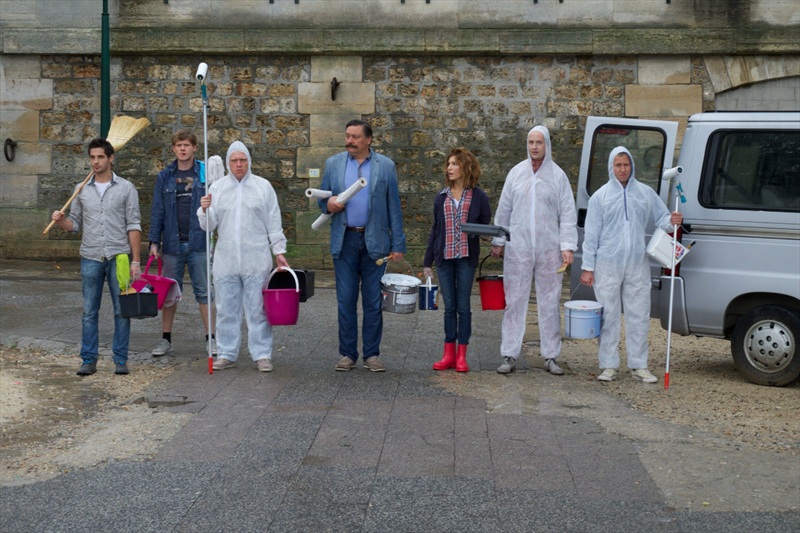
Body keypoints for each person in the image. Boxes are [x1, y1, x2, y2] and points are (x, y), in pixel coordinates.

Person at [579, 146, 683, 383]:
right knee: (608, 315)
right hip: (607, 264)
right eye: (618, 165)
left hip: (637, 263)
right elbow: (591, 235)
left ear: (632, 166)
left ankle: (639, 364)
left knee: (639, 313)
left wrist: (672, 220)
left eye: (626, 165)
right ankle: (608, 364)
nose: (623, 169)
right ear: (611, 167)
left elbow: (662, 218)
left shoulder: (644, 193)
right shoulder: (600, 197)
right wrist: (588, 267)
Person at [318, 119, 406, 372]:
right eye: (347, 135)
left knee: (372, 301)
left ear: (368, 140)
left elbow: (394, 206)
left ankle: (371, 354)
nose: (349, 140)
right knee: (345, 300)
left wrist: (398, 243)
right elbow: (323, 198)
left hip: (375, 242)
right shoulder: (333, 164)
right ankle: (347, 354)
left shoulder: (385, 166)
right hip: (344, 240)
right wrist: (329, 204)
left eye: (355, 137)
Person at [490, 125, 578, 375]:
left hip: (550, 250)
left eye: (539, 142)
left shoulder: (558, 176)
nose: (534, 147)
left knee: (550, 302)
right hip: (518, 247)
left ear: (547, 145)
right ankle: (509, 353)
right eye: (531, 142)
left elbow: (568, 214)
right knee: (514, 300)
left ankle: (550, 355)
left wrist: (567, 246)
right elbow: (504, 209)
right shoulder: (516, 173)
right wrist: (498, 241)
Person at [51, 138, 142, 376]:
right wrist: (61, 222)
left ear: (111, 158)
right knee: (89, 311)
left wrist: (135, 261)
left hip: (118, 256)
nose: (95, 161)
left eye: (100, 157)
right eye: (92, 157)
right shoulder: (81, 190)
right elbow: (75, 226)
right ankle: (88, 359)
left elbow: (133, 225)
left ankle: (120, 360)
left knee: (122, 310)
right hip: (90, 255)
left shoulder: (126, 188)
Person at [198, 141, 289, 372]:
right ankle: (227, 352)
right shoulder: (217, 189)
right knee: (226, 309)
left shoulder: (263, 187)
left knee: (258, 309)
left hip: (256, 257)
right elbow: (209, 227)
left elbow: (274, 221)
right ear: (228, 163)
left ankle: (262, 354)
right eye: (234, 161)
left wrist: (278, 251)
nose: (239, 165)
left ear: (249, 161)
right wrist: (204, 209)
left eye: (243, 160)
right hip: (226, 259)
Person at [423, 147, 492, 373]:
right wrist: (427, 262)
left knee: (463, 307)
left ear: (466, 168)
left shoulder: (479, 196)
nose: (449, 168)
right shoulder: (441, 197)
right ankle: (448, 354)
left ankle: (462, 355)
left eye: (454, 164)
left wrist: (483, 235)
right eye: (448, 164)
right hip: (444, 258)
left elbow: (484, 226)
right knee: (449, 307)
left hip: (465, 258)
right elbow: (435, 229)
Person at [148, 129, 215, 357]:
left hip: (199, 242)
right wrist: (154, 242)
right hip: (172, 245)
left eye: (187, 145)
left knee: (205, 292)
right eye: (179, 145)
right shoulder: (165, 177)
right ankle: (166, 339)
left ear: (194, 148)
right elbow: (158, 210)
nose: (183, 149)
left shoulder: (206, 174)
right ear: (174, 149)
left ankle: (211, 339)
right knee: (168, 294)